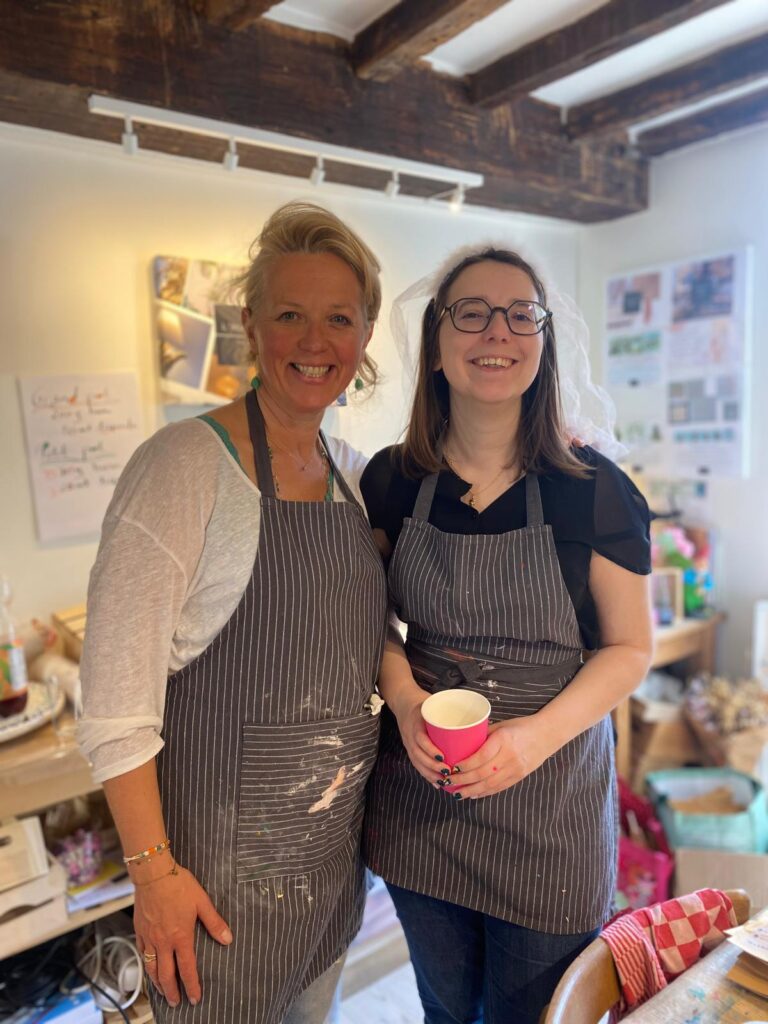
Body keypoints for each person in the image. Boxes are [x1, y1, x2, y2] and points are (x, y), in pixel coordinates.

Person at [77, 202, 388, 1024]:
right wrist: (153, 878)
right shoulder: (182, 467)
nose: (315, 343)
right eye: (290, 315)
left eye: (338, 319)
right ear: (251, 327)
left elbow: (367, 641)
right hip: (212, 897)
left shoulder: (355, 477)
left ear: (363, 339)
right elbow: (113, 705)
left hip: (325, 878)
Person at [360, 246, 654, 1024]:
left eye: (521, 313)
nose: (499, 331)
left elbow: (630, 649)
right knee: (446, 1013)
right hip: (424, 804)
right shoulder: (391, 481)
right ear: (438, 339)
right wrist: (403, 697)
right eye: (473, 312)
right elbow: (370, 623)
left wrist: (531, 740)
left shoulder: (595, 492)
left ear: (544, 339)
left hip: (549, 811)